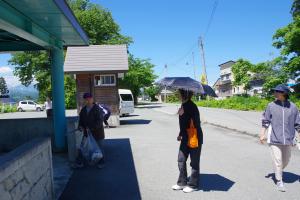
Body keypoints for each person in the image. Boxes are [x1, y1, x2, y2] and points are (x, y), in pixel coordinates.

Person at [260, 84, 300, 192]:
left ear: (284, 93)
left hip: (288, 139)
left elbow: (298, 124)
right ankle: (279, 180)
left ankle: (278, 171)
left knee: (286, 160)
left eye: (277, 91)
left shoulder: (293, 107)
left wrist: (299, 138)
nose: (275, 93)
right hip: (274, 139)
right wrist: (262, 134)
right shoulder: (271, 106)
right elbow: (265, 121)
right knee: (278, 160)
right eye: (275, 91)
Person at [172, 89, 204, 193]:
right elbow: (183, 124)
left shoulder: (191, 106)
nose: (177, 95)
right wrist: (180, 134)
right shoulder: (183, 105)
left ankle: (193, 185)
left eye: (178, 93)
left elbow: (195, 123)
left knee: (194, 162)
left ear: (184, 94)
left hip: (195, 137)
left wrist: (183, 114)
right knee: (181, 159)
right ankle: (182, 182)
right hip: (185, 137)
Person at [72, 92, 105, 169]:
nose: (88, 100)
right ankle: (79, 162)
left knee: (100, 148)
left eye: (89, 99)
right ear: (84, 100)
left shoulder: (97, 109)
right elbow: (81, 122)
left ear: (92, 99)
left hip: (98, 133)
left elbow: (99, 121)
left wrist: (91, 128)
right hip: (87, 133)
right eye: (86, 99)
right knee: (82, 147)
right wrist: (80, 127)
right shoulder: (83, 110)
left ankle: (101, 162)